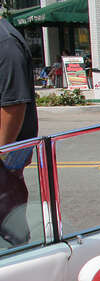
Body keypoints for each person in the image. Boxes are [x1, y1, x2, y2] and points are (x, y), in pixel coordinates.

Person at [0, 12, 38, 245]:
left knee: (8, 226)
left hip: (7, 154)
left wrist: (1, 151)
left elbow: (14, 104)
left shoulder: (5, 43)